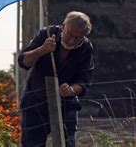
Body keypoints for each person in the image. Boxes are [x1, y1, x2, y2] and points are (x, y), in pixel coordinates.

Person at [18, 11, 95, 146]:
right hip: (35, 102)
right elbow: (23, 62)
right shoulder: (46, 34)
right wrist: (42, 49)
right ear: (63, 26)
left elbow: (84, 81)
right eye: (70, 35)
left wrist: (71, 90)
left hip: (66, 105)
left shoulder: (86, 47)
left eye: (78, 38)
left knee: (67, 143)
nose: (72, 41)